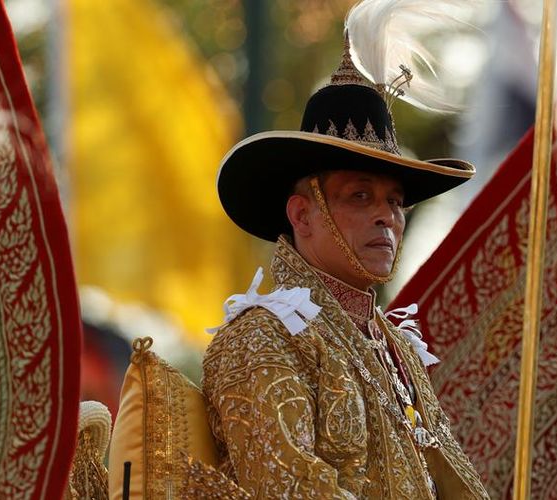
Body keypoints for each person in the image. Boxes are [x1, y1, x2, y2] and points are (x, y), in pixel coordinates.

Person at [201, 32, 490, 500]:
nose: (388, 216)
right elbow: (288, 488)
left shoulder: (393, 345)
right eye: (360, 196)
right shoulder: (261, 338)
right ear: (302, 215)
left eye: (396, 201)